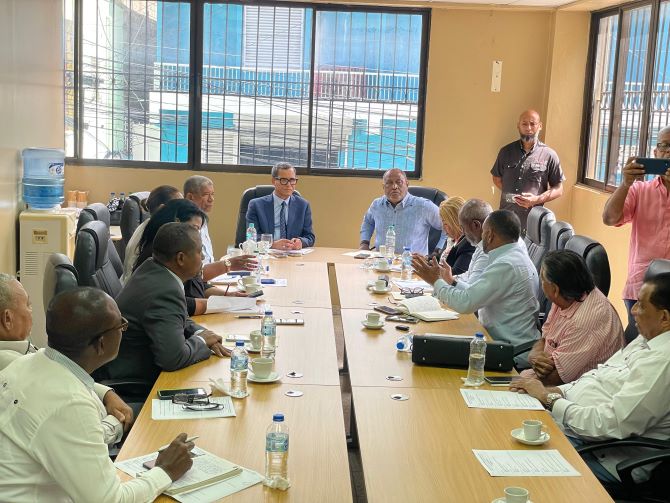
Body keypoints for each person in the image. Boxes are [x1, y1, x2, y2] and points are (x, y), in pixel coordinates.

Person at [0, 287, 195, 501]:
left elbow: (66, 435)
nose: (124, 329)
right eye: (121, 325)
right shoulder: (68, 402)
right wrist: (165, 471)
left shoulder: (26, 364)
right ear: (102, 343)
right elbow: (110, 500)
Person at [510, 273, 670, 487]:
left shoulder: (663, 363)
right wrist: (559, 392)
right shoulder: (647, 338)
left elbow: (609, 424)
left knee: (512, 465)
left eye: (641, 305)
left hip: (599, 455)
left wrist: (550, 400)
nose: (633, 311)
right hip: (573, 428)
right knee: (504, 423)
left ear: (664, 318)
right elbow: (598, 376)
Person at [0, 274, 131, 445]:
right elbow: (83, 438)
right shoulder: (10, 364)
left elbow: (61, 369)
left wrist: (107, 394)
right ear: (7, 319)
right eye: (28, 305)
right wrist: (117, 422)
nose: (32, 311)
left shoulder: (21, 351)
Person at [96, 223, 229, 384]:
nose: (202, 258)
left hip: (128, 365)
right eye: (199, 251)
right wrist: (202, 341)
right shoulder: (165, 291)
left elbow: (180, 318)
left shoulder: (152, 267)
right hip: (134, 378)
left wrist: (202, 333)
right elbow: (173, 359)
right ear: (180, 258)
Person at [412, 210, 540, 363]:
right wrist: (452, 281)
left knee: (428, 350)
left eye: (484, 232)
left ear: (490, 235)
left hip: (507, 351)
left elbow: (466, 303)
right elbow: (476, 293)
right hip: (496, 340)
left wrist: (435, 281)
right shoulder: (512, 256)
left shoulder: (506, 265)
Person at [520, 250, 624, 385]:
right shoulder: (567, 296)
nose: (541, 284)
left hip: (577, 390)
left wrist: (536, 363)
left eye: (542, 279)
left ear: (555, 289)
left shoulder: (585, 321)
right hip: (546, 379)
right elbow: (545, 338)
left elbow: (555, 379)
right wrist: (535, 354)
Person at [602, 125, 670, 327]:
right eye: (664, 146)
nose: (668, 151)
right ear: (655, 153)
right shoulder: (639, 190)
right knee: (637, 343)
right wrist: (625, 184)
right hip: (641, 288)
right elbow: (609, 218)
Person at [134, 199, 247, 316]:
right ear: (177, 223)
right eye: (194, 228)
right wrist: (226, 303)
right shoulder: (161, 252)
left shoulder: (178, 248)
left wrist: (228, 296)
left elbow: (196, 285)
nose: (197, 235)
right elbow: (172, 302)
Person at [491, 109, 564, 231]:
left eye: (532, 124)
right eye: (524, 124)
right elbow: (496, 178)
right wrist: (511, 194)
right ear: (518, 126)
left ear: (540, 126)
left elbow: (559, 189)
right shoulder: (506, 152)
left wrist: (537, 199)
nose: (528, 128)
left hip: (533, 224)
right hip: (505, 221)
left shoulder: (549, 155)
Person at [183, 175, 256, 280]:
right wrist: (227, 264)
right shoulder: (186, 222)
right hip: (198, 282)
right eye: (206, 195)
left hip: (209, 278)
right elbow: (195, 274)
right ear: (190, 197)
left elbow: (208, 260)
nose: (211, 199)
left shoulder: (202, 218)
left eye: (212, 194)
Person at [360, 168, 445, 255]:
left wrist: (438, 250)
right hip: (381, 260)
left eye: (399, 182)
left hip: (412, 262)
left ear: (407, 184)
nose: (394, 187)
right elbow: (368, 222)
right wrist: (364, 243)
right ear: (383, 187)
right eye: (389, 183)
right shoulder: (377, 205)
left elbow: (448, 225)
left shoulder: (424, 206)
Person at [246, 162, 316, 250]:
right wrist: (272, 244)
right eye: (284, 180)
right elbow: (251, 237)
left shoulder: (303, 205)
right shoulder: (256, 205)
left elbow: (310, 237)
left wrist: (301, 242)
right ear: (273, 181)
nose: (289, 184)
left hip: (292, 254)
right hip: (266, 254)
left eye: (292, 180)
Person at [122, 185, 182, 284]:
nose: (183, 210)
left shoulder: (149, 225)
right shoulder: (158, 235)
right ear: (162, 209)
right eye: (179, 206)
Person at [456, 198, 493, 285]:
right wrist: (445, 278)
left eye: (463, 227)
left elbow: (470, 289)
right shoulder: (481, 243)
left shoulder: (488, 249)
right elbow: (469, 274)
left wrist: (442, 282)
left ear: (475, 225)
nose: (462, 232)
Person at [436, 196, 475, 275]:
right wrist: (424, 260)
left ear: (456, 222)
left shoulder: (469, 244)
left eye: (445, 223)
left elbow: (457, 273)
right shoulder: (451, 239)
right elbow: (439, 260)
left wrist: (431, 271)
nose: (443, 228)